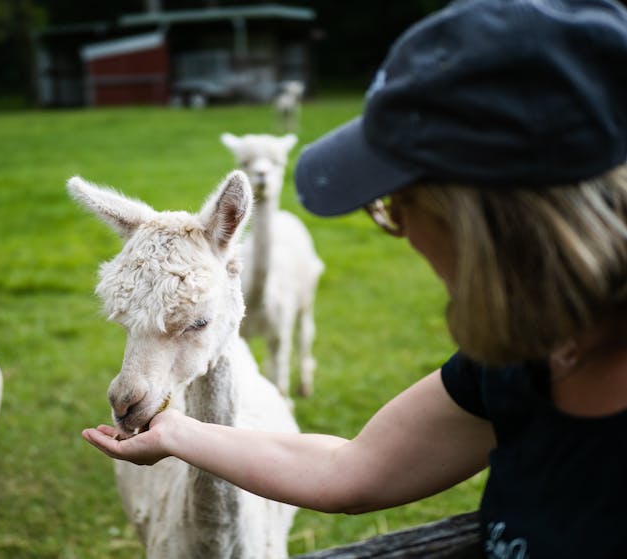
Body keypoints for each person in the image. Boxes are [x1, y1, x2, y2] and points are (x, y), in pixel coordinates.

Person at [82, 0, 627, 555]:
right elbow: (354, 470)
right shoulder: (518, 364)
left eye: (396, 205)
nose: (401, 232)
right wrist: (178, 431)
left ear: (485, 214)